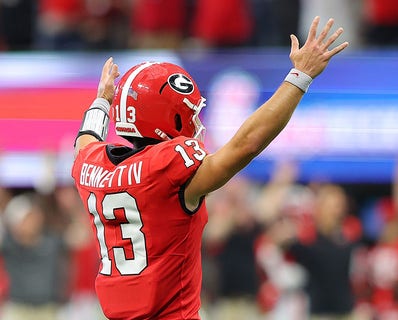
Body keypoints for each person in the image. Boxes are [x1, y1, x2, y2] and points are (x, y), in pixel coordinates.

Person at [71, 16, 348, 320]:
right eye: (188, 111)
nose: (195, 120)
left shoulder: (91, 164)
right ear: (169, 118)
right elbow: (247, 145)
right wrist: (300, 76)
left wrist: (101, 101)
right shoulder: (167, 168)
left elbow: (86, 139)